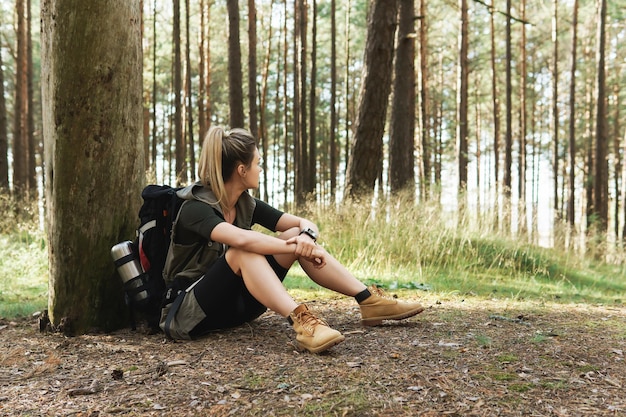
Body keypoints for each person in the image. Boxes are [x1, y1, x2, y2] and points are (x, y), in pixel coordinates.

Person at [159, 126, 424, 353]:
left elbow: (302, 223)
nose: (261, 168)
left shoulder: (244, 204)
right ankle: (305, 324)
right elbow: (243, 240)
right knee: (244, 249)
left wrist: (305, 238)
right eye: (258, 163)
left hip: (235, 307)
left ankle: (368, 301)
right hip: (188, 314)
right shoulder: (195, 208)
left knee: (294, 234)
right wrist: (296, 246)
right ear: (242, 170)